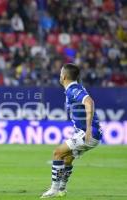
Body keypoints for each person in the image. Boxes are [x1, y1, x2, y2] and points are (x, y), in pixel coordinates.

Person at [41, 63, 103, 198]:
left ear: (63, 76)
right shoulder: (75, 87)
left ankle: (53, 189)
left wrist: (87, 129)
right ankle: (62, 189)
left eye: (60, 73)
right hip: (94, 133)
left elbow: (89, 102)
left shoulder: (73, 89)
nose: (59, 75)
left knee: (57, 153)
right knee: (67, 158)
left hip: (89, 133)